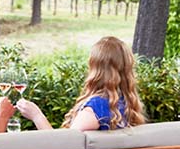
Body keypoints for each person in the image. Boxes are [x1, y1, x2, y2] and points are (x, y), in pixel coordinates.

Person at [16, 36, 146, 131]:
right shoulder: (127, 106)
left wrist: (36, 116)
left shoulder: (97, 108)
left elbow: (63, 147)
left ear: (95, 69)